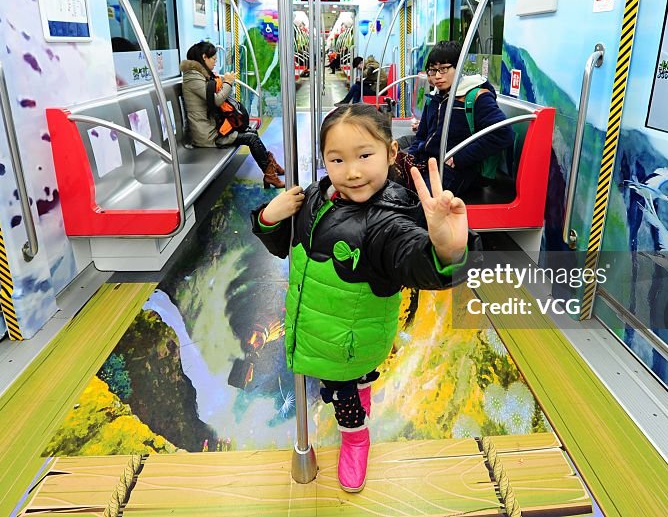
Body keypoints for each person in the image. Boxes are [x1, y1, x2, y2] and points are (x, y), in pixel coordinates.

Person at [251, 104, 468, 493]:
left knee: (342, 393)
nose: (351, 171)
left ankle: (355, 437)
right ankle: (361, 391)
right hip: (321, 329)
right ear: (324, 161)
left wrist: (447, 253)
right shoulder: (316, 197)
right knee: (348, 377)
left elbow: (413, 259)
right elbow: (285, 247)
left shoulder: (387, 221)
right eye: (337, 159)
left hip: (349, 342)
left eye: (364, 156)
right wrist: (270, 217)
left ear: (389, 153)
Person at [402, 41, 513, 194]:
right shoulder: (434, 97)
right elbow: (422, 135)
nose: (438, 76)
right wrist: (411, 156)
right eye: (433, 70)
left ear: (459, 67)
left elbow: (503, 133)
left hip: (459, 168)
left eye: (444, 69)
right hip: (430, 158)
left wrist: (459, 157)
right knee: (391, 160)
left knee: (423, 197)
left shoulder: (475, 97)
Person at [181, 41, 285, 188]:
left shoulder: (201, 75)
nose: (215, 63)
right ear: (204, 57)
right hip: (208, 135)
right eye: (213, 59)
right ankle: (269, 174)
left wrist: (223, 81)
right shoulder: (193, 78)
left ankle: (270, 167)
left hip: (215, 127)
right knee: (251, 138)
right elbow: (216, 100)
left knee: (251, 131)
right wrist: (228, 83)